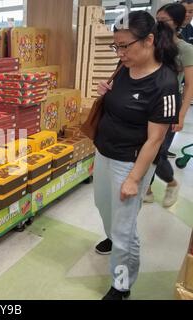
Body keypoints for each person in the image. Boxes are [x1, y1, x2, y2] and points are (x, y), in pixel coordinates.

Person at [94, 11, 180, 300]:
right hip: (104, 153)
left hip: (129, 164)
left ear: (149, 40)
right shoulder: (124, 65)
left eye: (124, 46)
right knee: (103, 207)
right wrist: (104, 90)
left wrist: (133, 179)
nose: (119, 53)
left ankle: (121, 285)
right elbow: (116, 101)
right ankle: (114, 235)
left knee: (124, 233)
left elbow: (155, 140)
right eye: (115, 46)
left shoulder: (165, 84)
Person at [144, 3, 193, 207]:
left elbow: (190, 85)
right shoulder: (153, 43)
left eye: (164, 21)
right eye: (157, 19)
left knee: (158, 151)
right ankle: (146, 187)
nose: (159, 24)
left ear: (178, 23)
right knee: (144, 145)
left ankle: (171, 183)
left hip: (170, 105)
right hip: (148, 101)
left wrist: (181, 115)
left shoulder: (185, 49)